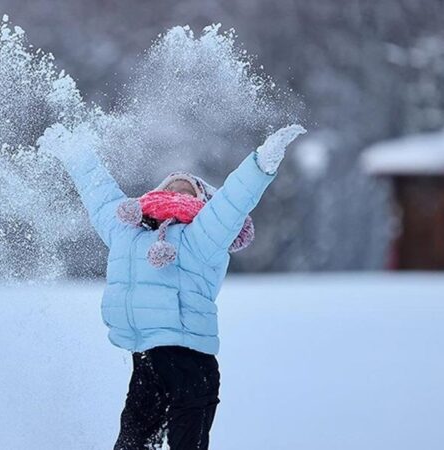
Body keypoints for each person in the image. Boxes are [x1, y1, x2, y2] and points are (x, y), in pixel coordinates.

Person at [37, 122, 306, 449]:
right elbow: (100, 194)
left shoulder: (203, 236)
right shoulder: (128, 233)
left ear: (204, 202)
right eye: (170, 188)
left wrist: (262, 162)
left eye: (187, 190)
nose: (177, 194)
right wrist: (74, 153)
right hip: (146, 361)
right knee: (131, 444)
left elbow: (233, 202)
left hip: (191, 365)